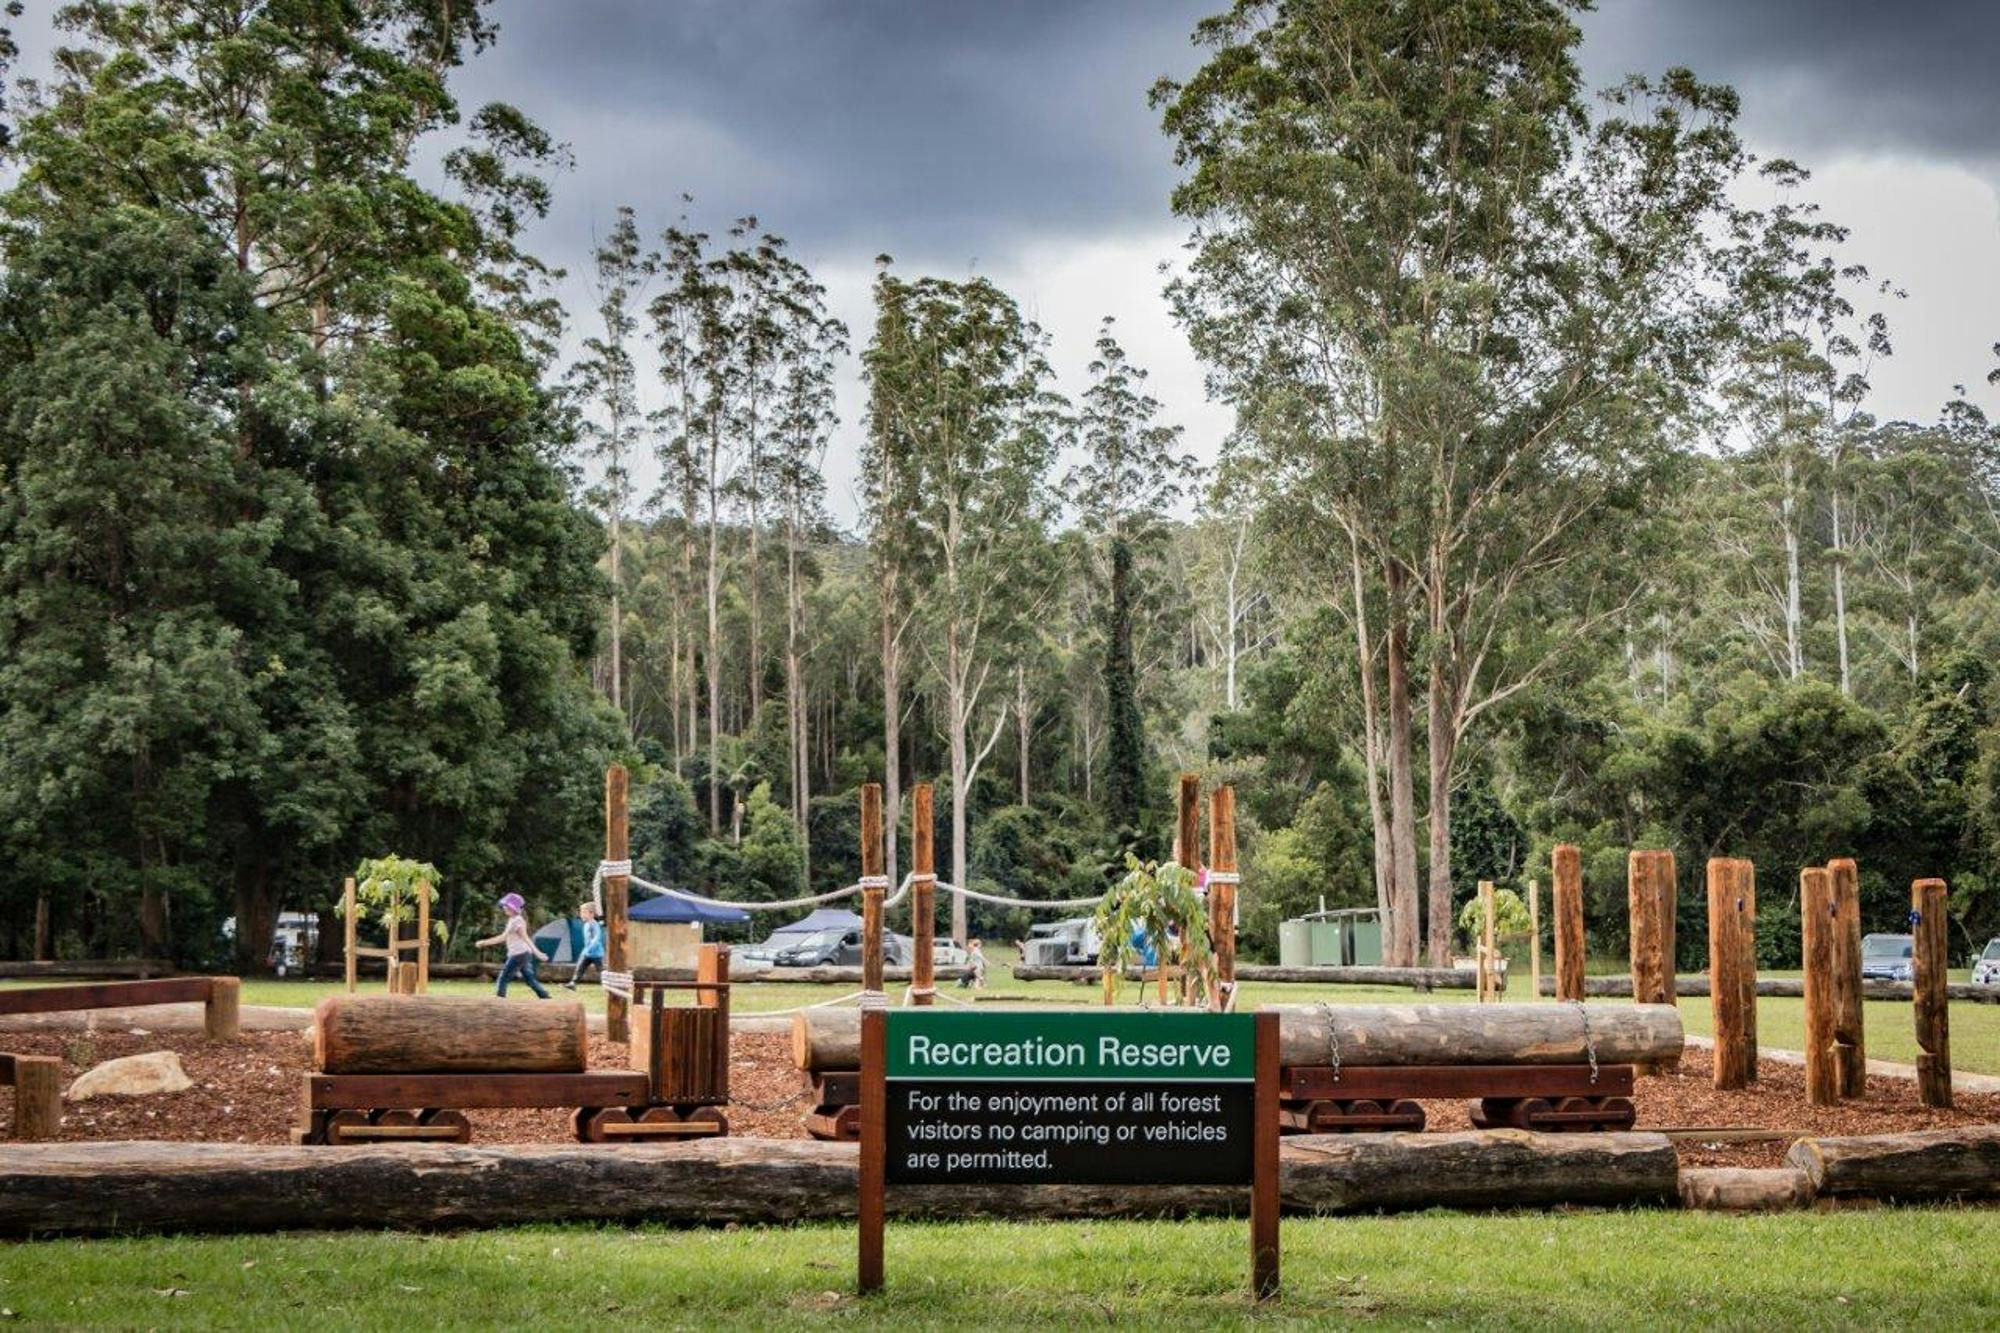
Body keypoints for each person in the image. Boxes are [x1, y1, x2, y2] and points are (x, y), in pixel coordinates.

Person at [477, 893, 550, 999]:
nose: (504, 908)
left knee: (503, 977)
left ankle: (499, 999)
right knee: (529, 979)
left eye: (506, 905)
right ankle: (545, 996)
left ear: (513, 907)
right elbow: (506, 937)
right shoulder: (512, 920)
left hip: (519, 954)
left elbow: (525, 938)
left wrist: (538, 953)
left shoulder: (518, 921)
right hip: (523, 954)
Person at [564, 901, 605, 990]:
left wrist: (590, 947)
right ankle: (573, 983)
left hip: (596, 953)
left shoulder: (595, 925)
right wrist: (586, 949)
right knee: (580, 968)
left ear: (591, 914)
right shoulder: (586, 925)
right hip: (586, 952)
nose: (581, 914)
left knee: (600, 970)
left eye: (583, 912)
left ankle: (606, 985)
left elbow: (597, 938)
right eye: (581, 912)